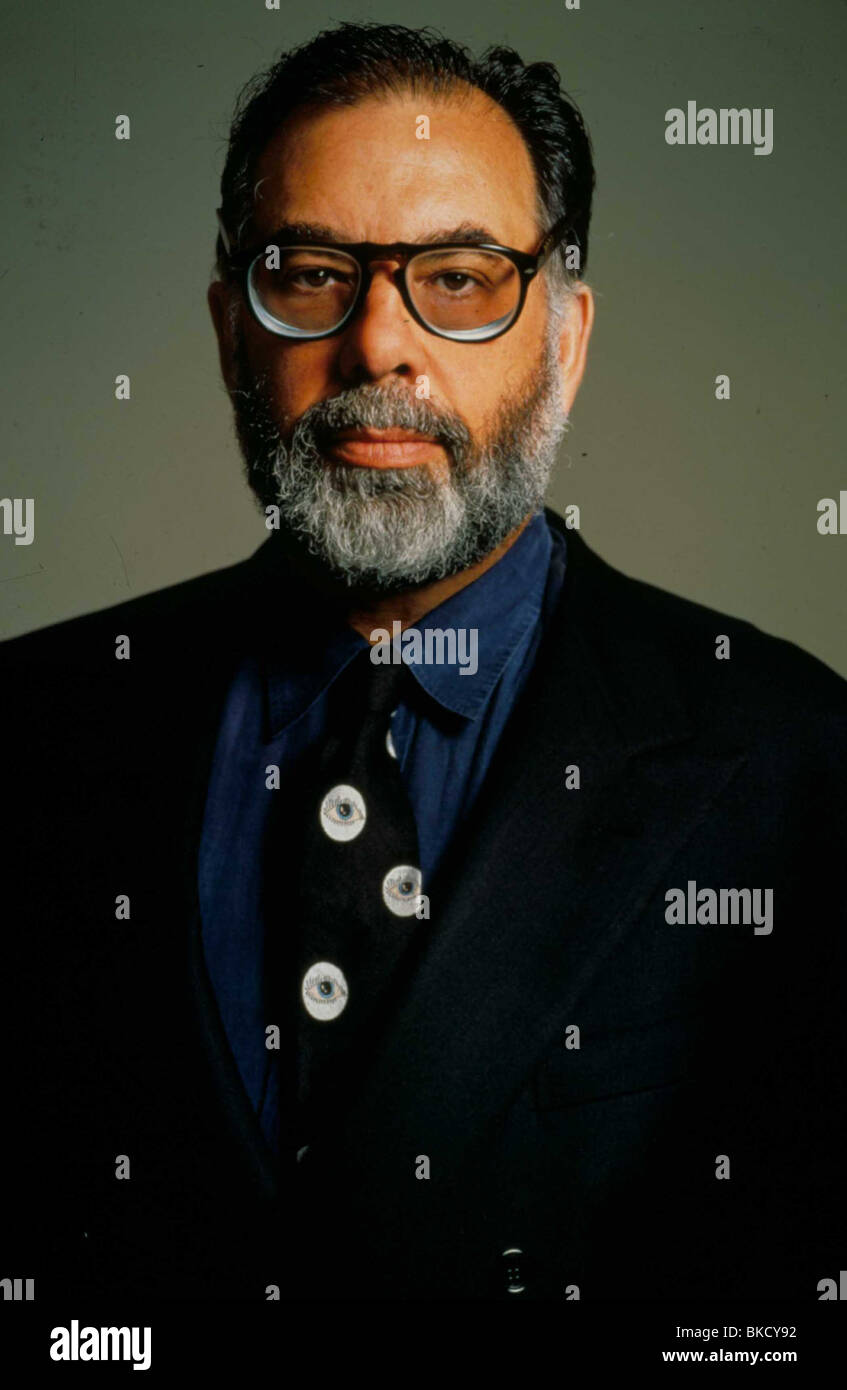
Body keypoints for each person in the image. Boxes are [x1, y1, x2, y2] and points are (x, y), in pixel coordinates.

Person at [2, 22, 845, 1302]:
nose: (380, 347)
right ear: (233, 331)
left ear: (563, 339)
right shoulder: (30, 727)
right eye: (315, 272)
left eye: (457, 278)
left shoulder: (798, 763)